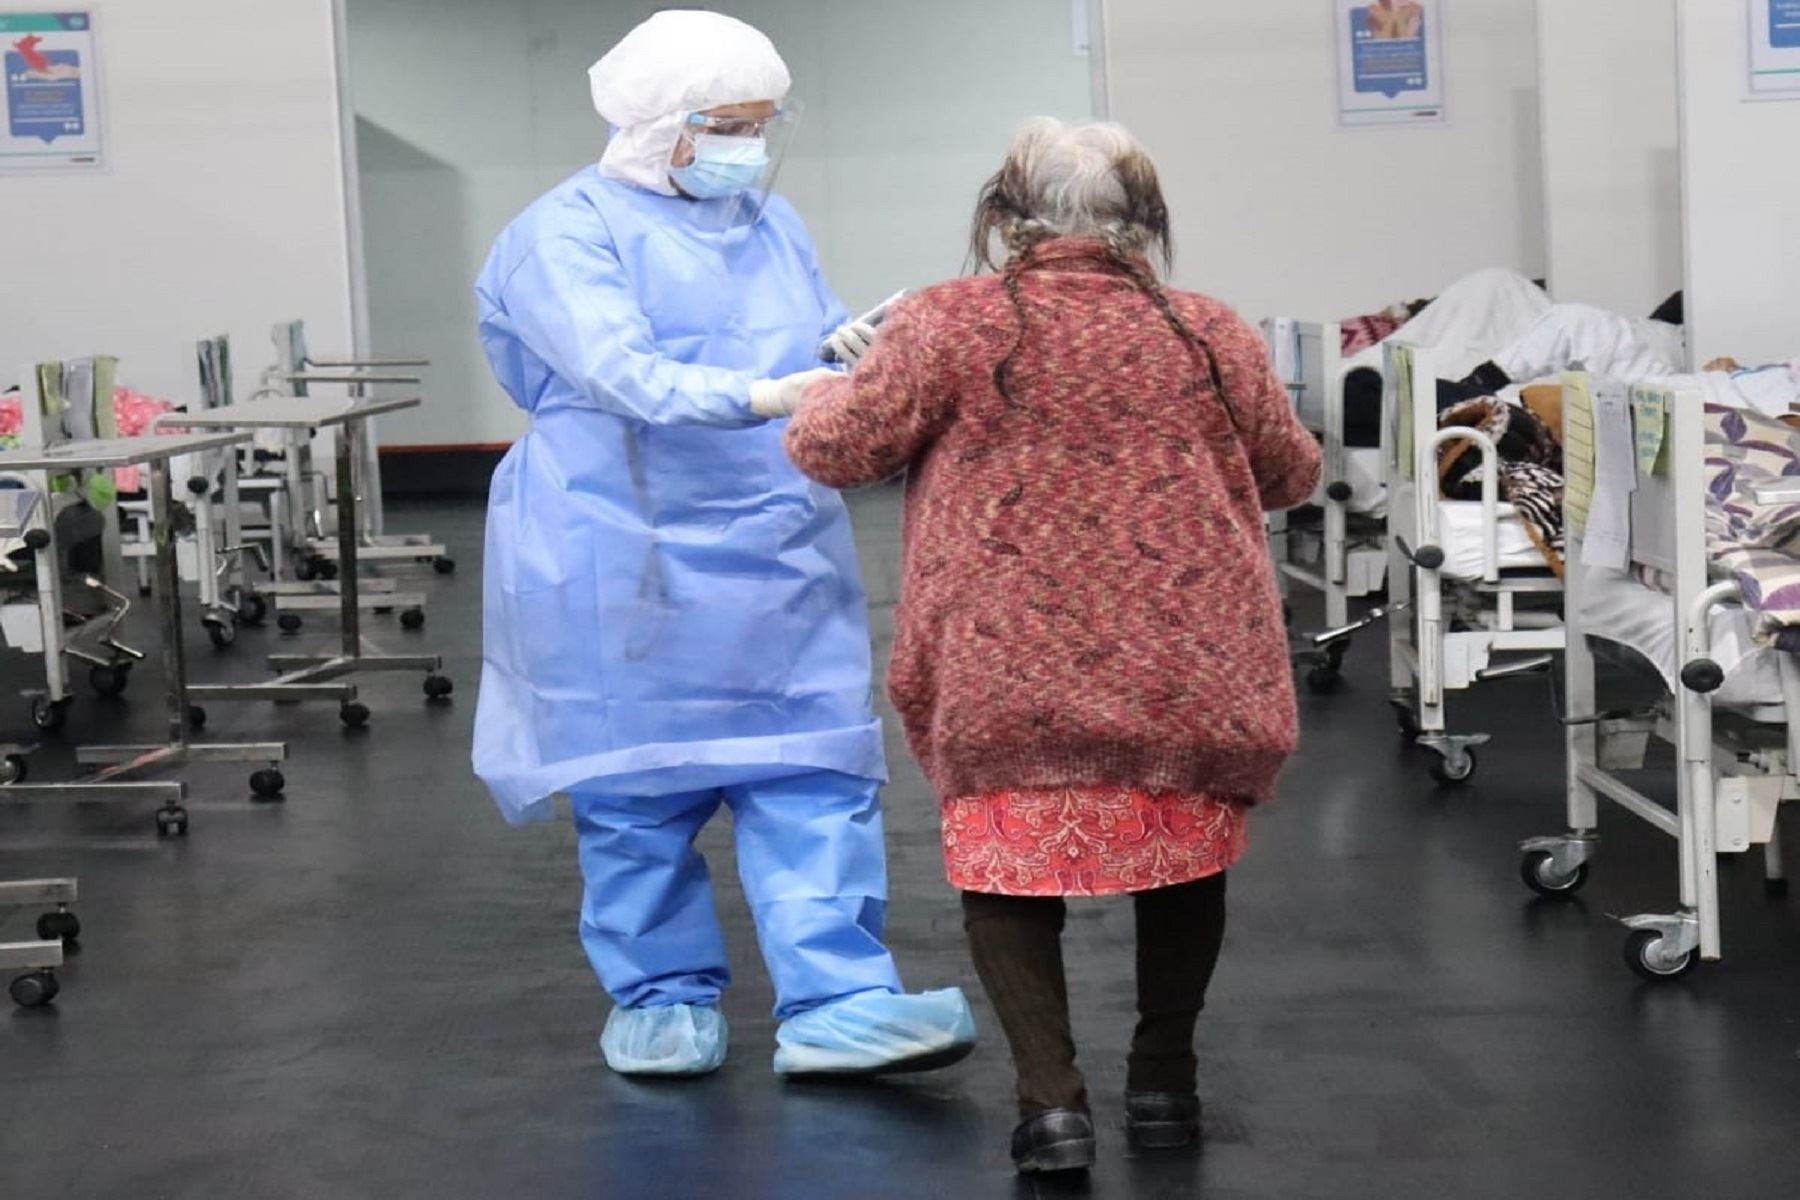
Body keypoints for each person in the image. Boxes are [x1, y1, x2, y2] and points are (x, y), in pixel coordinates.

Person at [782, 119, 1321, 1173]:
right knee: (1184, 862)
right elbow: (1291, 473)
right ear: (1144, 225)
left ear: (1002, 217)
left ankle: (1052, 1107)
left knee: (1009, 865)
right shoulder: (1205, 328)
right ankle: (1165, 1087)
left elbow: (834, 450)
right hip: (1187, 659)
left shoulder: (947, 322)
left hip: (1003, 659)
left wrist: (842, 372)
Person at [470, 10, 974, 1080]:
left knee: (810, 766)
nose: (748, 145)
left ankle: (837, 1001)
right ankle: (660, 999)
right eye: (728, 124)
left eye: (761, 124)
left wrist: (845, 348)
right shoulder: (562, 235)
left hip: (772, 538)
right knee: (636, 788)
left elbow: (805, 332)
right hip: (620, 542)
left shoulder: (767, 222)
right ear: (661, 127)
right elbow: (619, 372)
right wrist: (760, 391)